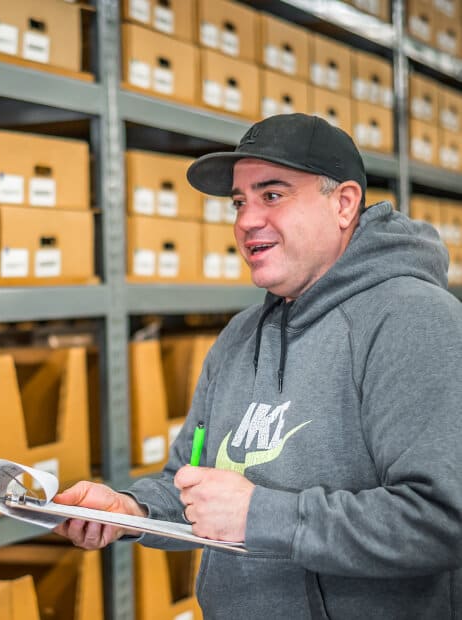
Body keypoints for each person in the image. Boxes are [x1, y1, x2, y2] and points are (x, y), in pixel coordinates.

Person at [53, 113, 462, 618]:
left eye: (272, 195)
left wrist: (260, 515)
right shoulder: (241, 336)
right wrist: (131, 510)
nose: (246, 221)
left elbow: (443, 519)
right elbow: (190, 480)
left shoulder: (413, 320)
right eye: (240, 202)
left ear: (344, 203)